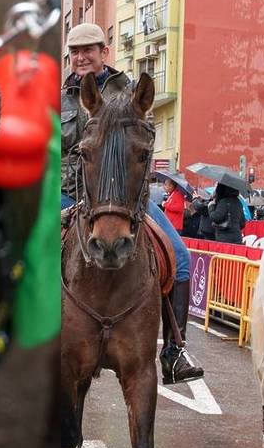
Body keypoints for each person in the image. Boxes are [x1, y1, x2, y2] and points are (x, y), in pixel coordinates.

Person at [61, 23, 203, 384]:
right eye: (75, 51)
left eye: (88, 49)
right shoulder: (56, 97)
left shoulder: (129, 90)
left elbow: (145, 137)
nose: (81, 57)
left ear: (103, 51)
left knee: (180, 258)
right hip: (67, 190)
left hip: (123, 197)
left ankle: (175, 351)